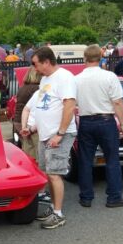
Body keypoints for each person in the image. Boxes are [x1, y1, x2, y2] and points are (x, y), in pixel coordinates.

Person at [20, 47, 77, 229]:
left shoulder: (65, 77)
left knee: (54, 174)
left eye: (36, 64)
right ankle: (53, 207)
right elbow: (42, 107)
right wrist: (33, 127)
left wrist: (60, 134)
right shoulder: (45, 79)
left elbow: (69, 106)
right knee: (48, 173)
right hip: (46, 135)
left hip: (58, 134)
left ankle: (58, 214)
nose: (34, 68)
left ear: (46, 62)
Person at [75, 45, 123, 208]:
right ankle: (114, 197)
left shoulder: (76, 79)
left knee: (85, 160)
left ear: (84, 58)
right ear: (101, 58)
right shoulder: (109, 76)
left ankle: (86, 197)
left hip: (85, 120)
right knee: (112, 159)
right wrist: (122, 123)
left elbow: (73, 102)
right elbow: (118, 102)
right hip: (106, 121)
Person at [16, 67, 50, 204]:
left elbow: (24, 109)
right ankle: (40, 192)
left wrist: (22, 127)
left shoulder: (23, 88)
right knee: (41, 161)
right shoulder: (38, 90)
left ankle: (29, 189)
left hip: (22, 125)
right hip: (34, 128)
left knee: (29, 160)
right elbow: (40, 112)